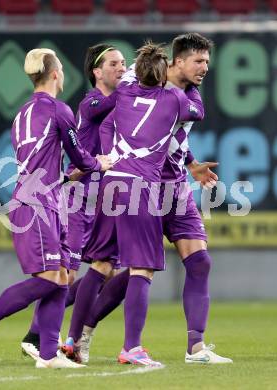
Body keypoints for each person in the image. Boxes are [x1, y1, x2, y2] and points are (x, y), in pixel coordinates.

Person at [78, 33, 233, 365]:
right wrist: (109, 159)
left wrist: (190, 163)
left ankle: (196, 347)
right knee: (116, 270)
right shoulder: (138, 77)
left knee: (199, 261)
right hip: (135, 185)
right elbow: (106, 117)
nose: (205, 68)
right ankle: (80, 333)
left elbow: (172, 133)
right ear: (177, 61)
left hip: (173, 186)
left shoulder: (189, 93)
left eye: (207, 62)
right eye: (199, 61)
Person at [0, 48, 112, 369]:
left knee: (60, 278)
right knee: (49, 279)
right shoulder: (59, 110)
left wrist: (64, 175)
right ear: (56, 74)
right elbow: (81, 157)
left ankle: (47, 355)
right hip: (38, 204)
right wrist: (101, 162)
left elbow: (37, 162)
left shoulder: (21, 115)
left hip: (41, 198)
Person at [20, 43, 126, 359]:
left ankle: (56, 336)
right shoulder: (92, 102)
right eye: (114, 64)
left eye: (124, 63)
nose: (121, 69)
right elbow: (112, 106)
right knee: (66, 274)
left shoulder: (118, 107)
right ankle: (36, 336)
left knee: (101, 272)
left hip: (104, 200)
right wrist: (140, 82)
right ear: (96, 71)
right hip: (79, 197)